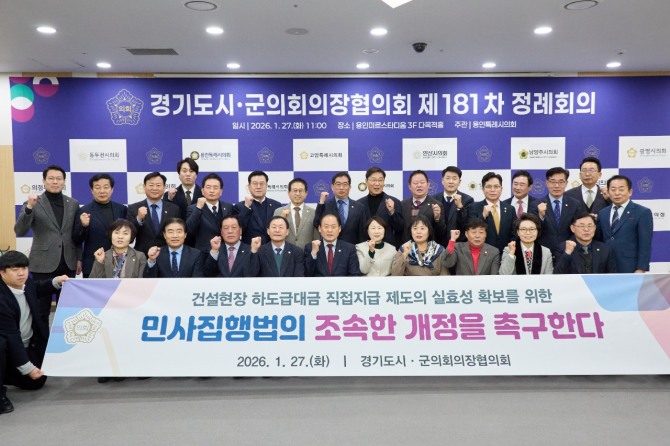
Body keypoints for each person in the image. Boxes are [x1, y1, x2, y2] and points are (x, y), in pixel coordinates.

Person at [0, 251, 69, 415]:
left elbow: (38, 287)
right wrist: (27, 368)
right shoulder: (2, 299)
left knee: (37, 382)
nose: (21, 273)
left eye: (24, 268)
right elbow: (11, 336)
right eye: (15, 270)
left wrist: (56, 281)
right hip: (7, 344)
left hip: (24, 344)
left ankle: (6, 372)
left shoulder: (25, 284)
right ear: (2, 272)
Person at [14, 165, 79, 325]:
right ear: (44, 181)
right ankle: (42, 341)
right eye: (51, 178)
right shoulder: (33, 203)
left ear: (64, 182)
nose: (55, 182)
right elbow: (20, 230)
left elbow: (76, 234)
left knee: (68, 310)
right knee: (41, 310)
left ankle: (64, 340)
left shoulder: (73, 204)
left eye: (59, 179)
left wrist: (79, 258)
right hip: (42, 264)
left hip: (68, 262)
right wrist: (29, 208)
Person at [72, 173, 128, 278]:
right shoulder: (84, 210)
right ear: (92, 190)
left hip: (119, 263)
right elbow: (77, 239)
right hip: (93, 264)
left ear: (112, 190)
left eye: (106, 187)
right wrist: (83, 226)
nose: (102, 191)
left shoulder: (121, 209)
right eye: (97, 187)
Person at [597, 175, 653, 273]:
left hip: (630, 266)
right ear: (608, 192)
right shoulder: (603, 213)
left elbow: (645, 243)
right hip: (605, 266)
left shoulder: (642, 212)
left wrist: (641, 268)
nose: (617, 193)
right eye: (613, 189)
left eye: (621, 189)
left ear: (630, 192)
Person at [537, 167, 587, 263]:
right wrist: (541, 216)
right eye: (552, 182)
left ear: (566, 183)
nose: (557, 185)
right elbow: (533, 230)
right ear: (547, 183)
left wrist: (568, 246)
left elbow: (578, 228)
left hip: (569, 252)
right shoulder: (536, 204)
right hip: (543, 254)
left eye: (561, 182)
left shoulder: (575, 204)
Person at [127, 172, 181, 255]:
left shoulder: (174, 209)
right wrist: (139, 219)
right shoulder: (133, 208)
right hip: (141, 256)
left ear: (164, 187)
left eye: (158, 185)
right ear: (144, 187)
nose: (154, 188)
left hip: (167, 255)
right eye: (151, 185)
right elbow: (129, 236)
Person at [313, 171, 370, 245]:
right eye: (338, 184)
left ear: (350, 187)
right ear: (332, 187)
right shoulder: (325, 205)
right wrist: (321, 203)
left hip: (353, 249)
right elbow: (316, 224)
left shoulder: (359, 207)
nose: (341, 188)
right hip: (330, 249)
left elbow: (362, 234)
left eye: (345, 184)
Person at [468, 172, 515, 255]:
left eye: (496, 186)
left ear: (501, 189)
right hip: (483, 254)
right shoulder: (474, 207)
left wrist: (510, 250)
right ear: (483, 189)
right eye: (488, 187)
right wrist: (483, 216)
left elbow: (514, 232)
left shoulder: (510, 209)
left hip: (506, 254)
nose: (492, 190)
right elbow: (471, 231)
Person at [185, 173, 234, 252]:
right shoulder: (193, 208)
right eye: (208, 187)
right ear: (202, 191)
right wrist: (198, 208)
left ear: (221, 191)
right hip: (203, 253)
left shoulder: (228, 207)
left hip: (225, 252)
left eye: (215, 188)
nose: (212, 191)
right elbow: (189, 230)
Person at [357, 167, 403, 247]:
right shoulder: (359, 204)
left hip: (387, 249)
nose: (377, 183)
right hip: (364, 249)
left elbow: (399, 228)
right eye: (373, 180)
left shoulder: (394, 202)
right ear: (366, 182)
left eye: (380, 180)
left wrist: (392, 212)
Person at [233, 171, 282, 245]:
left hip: (272, 248)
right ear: (249, 186)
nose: (258, 187)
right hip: (249, 248)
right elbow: (238, 230)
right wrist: (246, 207)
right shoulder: (240, 206)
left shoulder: (276, 205)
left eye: (262, 183)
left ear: (266, 186)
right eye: (255, 183)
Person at [400, 170, 447, 244]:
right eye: (415, 183)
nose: (419, 185)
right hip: (406, 247)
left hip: (427, 247)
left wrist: (437, 218)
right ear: (409, 186)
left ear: (428, 185)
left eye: (422, 182)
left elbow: (441, 232)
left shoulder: (436, 205)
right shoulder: (402, 204)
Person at [431, 166, 473, 245]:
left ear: (459, 182)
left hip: (458, 246)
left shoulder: (467, 200)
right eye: (448, 178)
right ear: (442, 181)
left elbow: (467, 225)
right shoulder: (433, 199)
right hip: (437, 245)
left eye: (454, 178)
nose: (451, 182)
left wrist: (460, 207)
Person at [274, 178, 319, 249]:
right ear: (289, 193)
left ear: (306, 193)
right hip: (285, 253)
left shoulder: (313, 213)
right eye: (295, 190)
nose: (297, 194)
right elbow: (275, 235)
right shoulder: (278, 212)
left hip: (306, 253)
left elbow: (316, 238)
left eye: (300, 191)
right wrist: (282, 218)